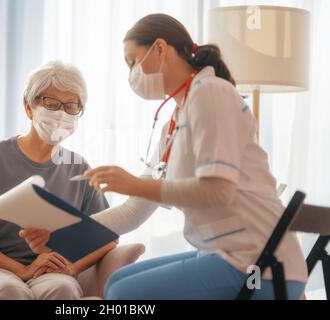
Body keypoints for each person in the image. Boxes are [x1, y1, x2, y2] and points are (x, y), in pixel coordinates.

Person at [20, 14, 307, 300]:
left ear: (159, 48)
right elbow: (134, 211)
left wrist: (132, 184)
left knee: (123, 292)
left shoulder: (211, 94)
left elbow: (218, 191)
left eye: (132, 61)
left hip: (259, 265)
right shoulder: (176, 118)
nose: (130, 73)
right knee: (117, 280)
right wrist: (60, 236)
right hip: (227, 255)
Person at [0, 61, 114, 300]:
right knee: (10, 290)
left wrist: (71, 268)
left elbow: (107, 239)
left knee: (63, 288)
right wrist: (22, 271)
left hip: (45, 271)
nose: (61, 114)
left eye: (70, 106)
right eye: (52, 104)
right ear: (28, 107)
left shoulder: (79, 168)